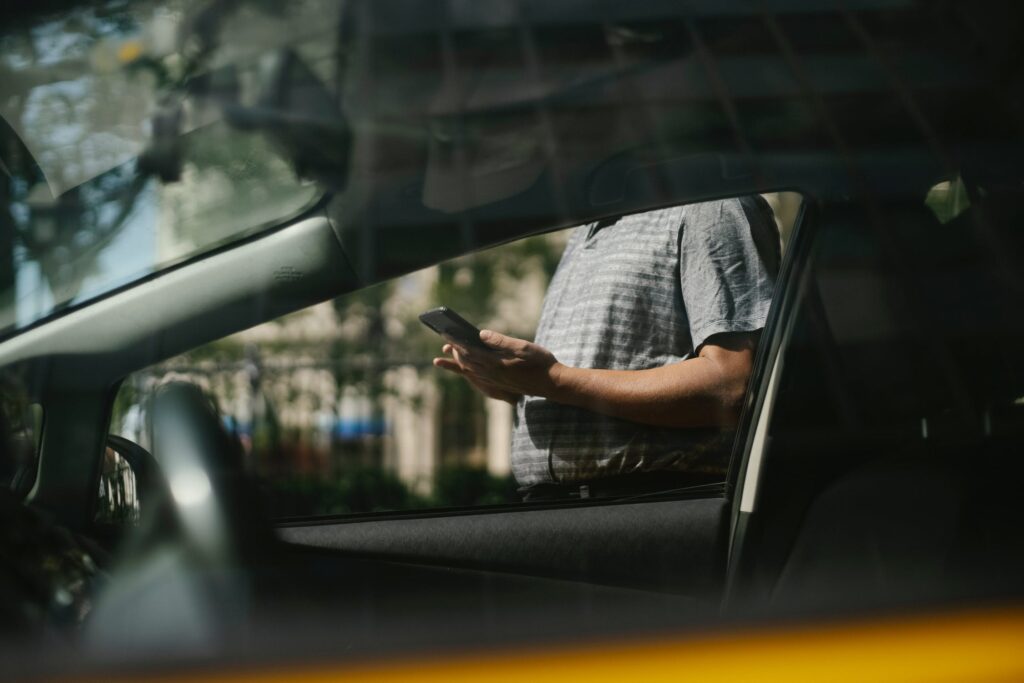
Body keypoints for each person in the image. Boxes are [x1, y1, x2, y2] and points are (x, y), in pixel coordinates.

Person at [434, 198, 780, 499]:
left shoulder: (712, 208)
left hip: (651, 503)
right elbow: (581, 383)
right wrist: (515, 385)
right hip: (560, 508)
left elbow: (731, 386)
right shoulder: (585, 231)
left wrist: (551, 380)